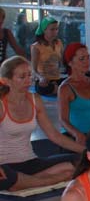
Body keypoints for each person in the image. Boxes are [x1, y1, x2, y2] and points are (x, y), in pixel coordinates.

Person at [0, 56, 83, 191]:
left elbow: (54, 135)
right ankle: (50, 179)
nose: (28, 80)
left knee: (81, 160)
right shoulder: (1, 104)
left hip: (31, 162)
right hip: (5, 165)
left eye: (29, 75)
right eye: (22, 77)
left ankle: (27, 181)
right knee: (5, 176)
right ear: (6, 81)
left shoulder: (35, 100)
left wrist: (88, 151)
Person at [30, 16, 63, 96]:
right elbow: (33, 70)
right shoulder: (36, 47)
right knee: (44, 88)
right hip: (44, 81)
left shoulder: (59, 43)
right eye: (52, 29)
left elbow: (63, 62)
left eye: (56, 29)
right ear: (44, 30)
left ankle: (58, 88)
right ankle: (58, 89)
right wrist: (41, 78)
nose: (55, 32)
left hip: (57, 78)